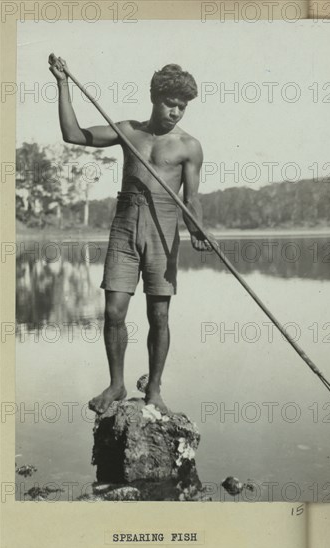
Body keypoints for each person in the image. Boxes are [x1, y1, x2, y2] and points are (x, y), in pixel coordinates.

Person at [49, 54, 212, 415]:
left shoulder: (189, 146)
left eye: (182, 107)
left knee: (159, 315)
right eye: (171, 104)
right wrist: (62, 83)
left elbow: (192, 199)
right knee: (114, 310)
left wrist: (197, 227)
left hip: (163, 227)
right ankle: (117, 384)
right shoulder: (127, 130)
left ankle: (154, 391)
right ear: (155, 98)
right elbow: (73, 134)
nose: (176, 113)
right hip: (125, 222)